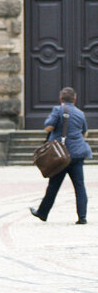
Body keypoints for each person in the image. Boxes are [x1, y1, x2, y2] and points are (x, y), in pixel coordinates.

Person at [30, 87, 90, 224]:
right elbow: (85, 133)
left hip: (60, 155)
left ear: (60, 99)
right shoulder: (80, 113)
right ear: (75, 99)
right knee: (80, 186)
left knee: (54, 185)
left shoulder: (58, 110)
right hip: (77, 154)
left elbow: (48, 127)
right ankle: (82, 217)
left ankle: (42, 213)